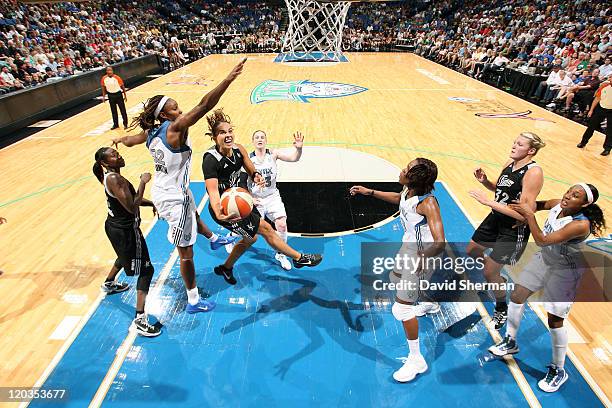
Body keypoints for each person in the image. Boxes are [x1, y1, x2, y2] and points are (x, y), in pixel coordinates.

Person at [111, 59, 246, 313]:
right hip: (172, 196)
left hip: (166, 190)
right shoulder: (174, 129)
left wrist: (121, 139)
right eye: (175, 108)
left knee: (191, 206)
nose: (180, 110)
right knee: (186, 254)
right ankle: (193, 300)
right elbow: (205, 105)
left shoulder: (151, 132)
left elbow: (132, 139)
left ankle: (214, 238)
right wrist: (228, 79)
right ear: (165, 115)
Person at [488, 183, 606, 392]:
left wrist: (529, 217)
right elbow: (540, 204)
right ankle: (510, 341)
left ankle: (559, 369)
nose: (568, 195)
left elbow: (542, 240)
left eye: (575, 195)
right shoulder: (557, 205)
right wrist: (522, 209)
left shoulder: (580, 224)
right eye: (569, 190)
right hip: (544, 259)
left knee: (554, 319)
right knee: (517, 295)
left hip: (565, 271)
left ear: (585, 203)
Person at [350, 158, 445, 382]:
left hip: (423, 254)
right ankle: (429, 302)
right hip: (409, 246)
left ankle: (416, 360)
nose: (401, 170)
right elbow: (399, 200)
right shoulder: (408, 191)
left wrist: (423, 257)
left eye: (406, 169)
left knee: (401, 311)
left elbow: (440, 241)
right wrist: (369, 192)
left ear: (413, 178)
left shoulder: (428, 203)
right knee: (394, 276)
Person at [202, 109, 322, 285]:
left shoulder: (238, 149)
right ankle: (299, 258)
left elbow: (250, 168)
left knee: (251, 238)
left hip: (239, 201)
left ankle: (225, 268)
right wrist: (219, 213)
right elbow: (212, 191)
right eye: (222, 133)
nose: (228, 136)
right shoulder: (210, 160)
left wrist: (256, 175)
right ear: (213, 137)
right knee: (266, 229)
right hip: (225, 208)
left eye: (229, 131)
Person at [467, 132, 545, 330]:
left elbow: (524, 215)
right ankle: (497, 278)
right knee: (472, 251)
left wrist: (487, 201)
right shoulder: (510, 163)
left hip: (512, 229)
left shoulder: (533, 172)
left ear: (531, 150)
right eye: (514, 142)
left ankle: (501, 307)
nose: (513, 146)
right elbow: (502, 191)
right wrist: (485, 182)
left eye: (519, 144)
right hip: (496, 218)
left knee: (488, 272)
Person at [93, 147, 161, 337]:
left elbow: (130, 200)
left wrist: (151, 203)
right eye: (114, 155)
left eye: (117, 153)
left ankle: (108, 283)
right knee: (147, 270)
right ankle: (139, 319)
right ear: (105, 163)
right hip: (126, 231)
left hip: (115, 227)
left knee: (123, 256)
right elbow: (131, 207)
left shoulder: (111, 177)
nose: (119, 156)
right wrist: (143, 182)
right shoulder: (114, 179)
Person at [243, 130, 304, 270]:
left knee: (282, 224)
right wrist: (250, 198)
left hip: (272, 197)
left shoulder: (273, 154)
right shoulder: (248, 160)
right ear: (253, 141)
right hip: (256, 199)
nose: (260, 139)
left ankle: (281, 254)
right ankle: (231, 236)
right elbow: (242, 182)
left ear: (266, 140)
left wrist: (298, 149)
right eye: (257, 137)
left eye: (262, 137)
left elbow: (294, 158)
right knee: (248, 230)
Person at [577, 77, 611, 156]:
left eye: (611, 77)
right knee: (591, 126)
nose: (609, 79)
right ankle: (583, 142)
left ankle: (607, 149)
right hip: (601, 107)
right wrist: (591, 110)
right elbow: (597, 98)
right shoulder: (604, 86)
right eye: (610, 77)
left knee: (610, 131)